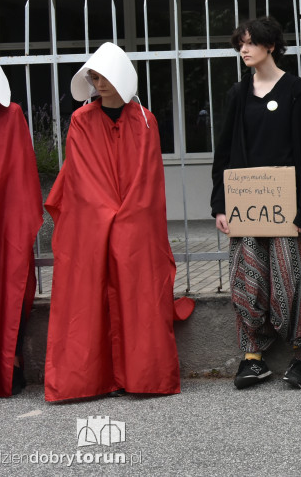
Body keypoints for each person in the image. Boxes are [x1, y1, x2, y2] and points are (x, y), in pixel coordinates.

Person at [44, 42, 180, 401]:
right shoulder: (80, 120)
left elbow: (147, 180)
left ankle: (142, 376)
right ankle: (91, 378)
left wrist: (126, 220)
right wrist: (109, 217)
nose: (98, 83)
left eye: (104, 76)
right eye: (93, 76)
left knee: (138, 295)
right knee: (90, 296)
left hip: (135, 224)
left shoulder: (146, 121)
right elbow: (83, 175)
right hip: (92, 224)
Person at [211, 17, 301, 390]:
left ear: (271, 45)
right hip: (246, 207)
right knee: (247, 279)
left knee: (290, 277)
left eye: (250, 43)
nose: (243, 50)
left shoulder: (297, 92)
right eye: (240, 44)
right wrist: (220, 205)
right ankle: (252, 358)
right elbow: (224, 153)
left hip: (286, 209)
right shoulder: (237, 95)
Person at [0, 47, 43, 397]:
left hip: (2, 223)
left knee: (5, 290)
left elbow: (19, 175)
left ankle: (7, 368)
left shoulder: (11, 115)